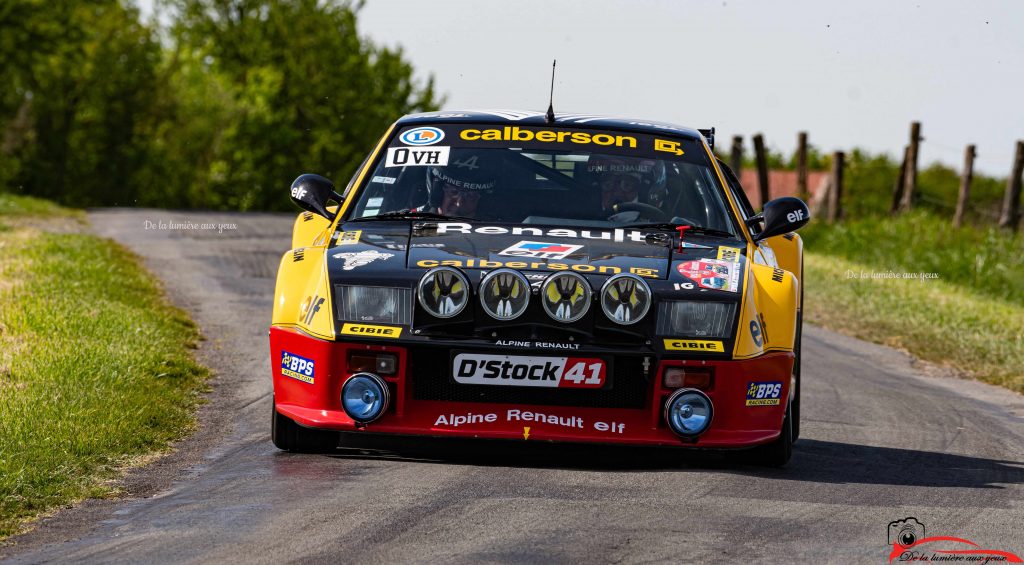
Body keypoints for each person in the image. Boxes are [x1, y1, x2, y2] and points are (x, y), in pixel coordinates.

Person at [586, 154, 667, 219]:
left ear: (641, 190)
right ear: (598, 189)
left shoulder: (656, 221)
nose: (617, 193)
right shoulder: (581, 218)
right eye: (608, 185)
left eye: (627, 185)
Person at [422, 150, 498, 217]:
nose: (459, 203)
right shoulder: (412, 222)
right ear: (438, 193)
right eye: (453, 192)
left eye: (470, 195)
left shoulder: (505, 228)